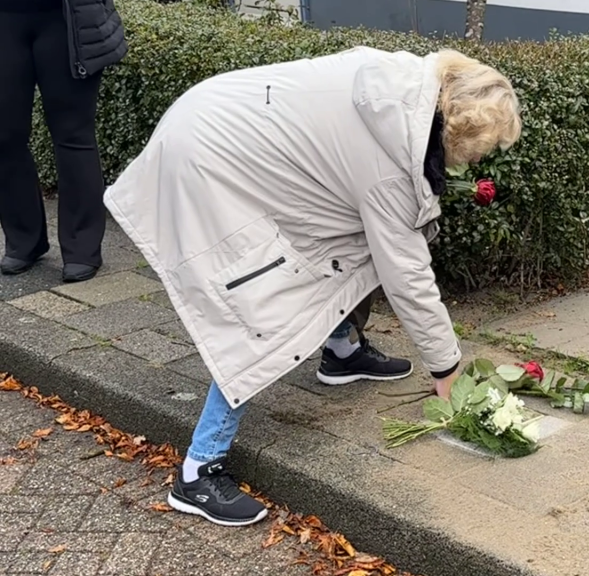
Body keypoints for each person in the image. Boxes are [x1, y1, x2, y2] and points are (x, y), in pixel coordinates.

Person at [103, 47, 522, 526]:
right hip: (209, 160)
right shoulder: (389, 162)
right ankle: (199, 471)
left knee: (346, 242)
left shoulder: (406, 86)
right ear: (462, 129)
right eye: (484, 146)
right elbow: (406, 274)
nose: (480, 158)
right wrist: (447, 370)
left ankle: (341, 350)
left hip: (218, 119)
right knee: (260, 308)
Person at [0, 0, 126, 282]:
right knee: (5, 136)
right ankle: (23, 240)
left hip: (67, 19)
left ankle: (82, 248)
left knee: (73, 135)